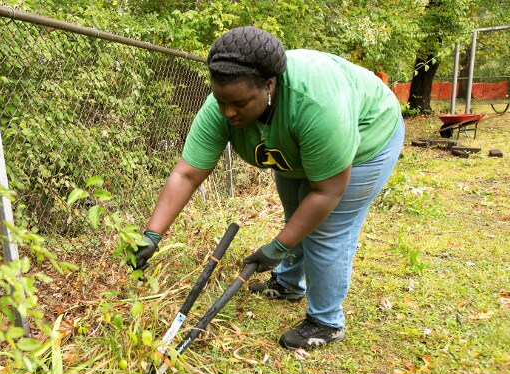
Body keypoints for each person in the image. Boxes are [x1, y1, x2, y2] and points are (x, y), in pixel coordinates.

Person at [132, 26, 404, 350]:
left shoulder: (315, 104)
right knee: (296, 215)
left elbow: (326, 193)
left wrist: (275, 249)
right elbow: (187, 174)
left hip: (368, 138)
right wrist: (152, 235)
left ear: (269, 85)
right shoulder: (223, 105)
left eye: (240, 103)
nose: (229, 112)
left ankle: (326, 321)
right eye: (222, 102)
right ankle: (290, 284)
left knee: (325, 228)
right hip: (295, 151)